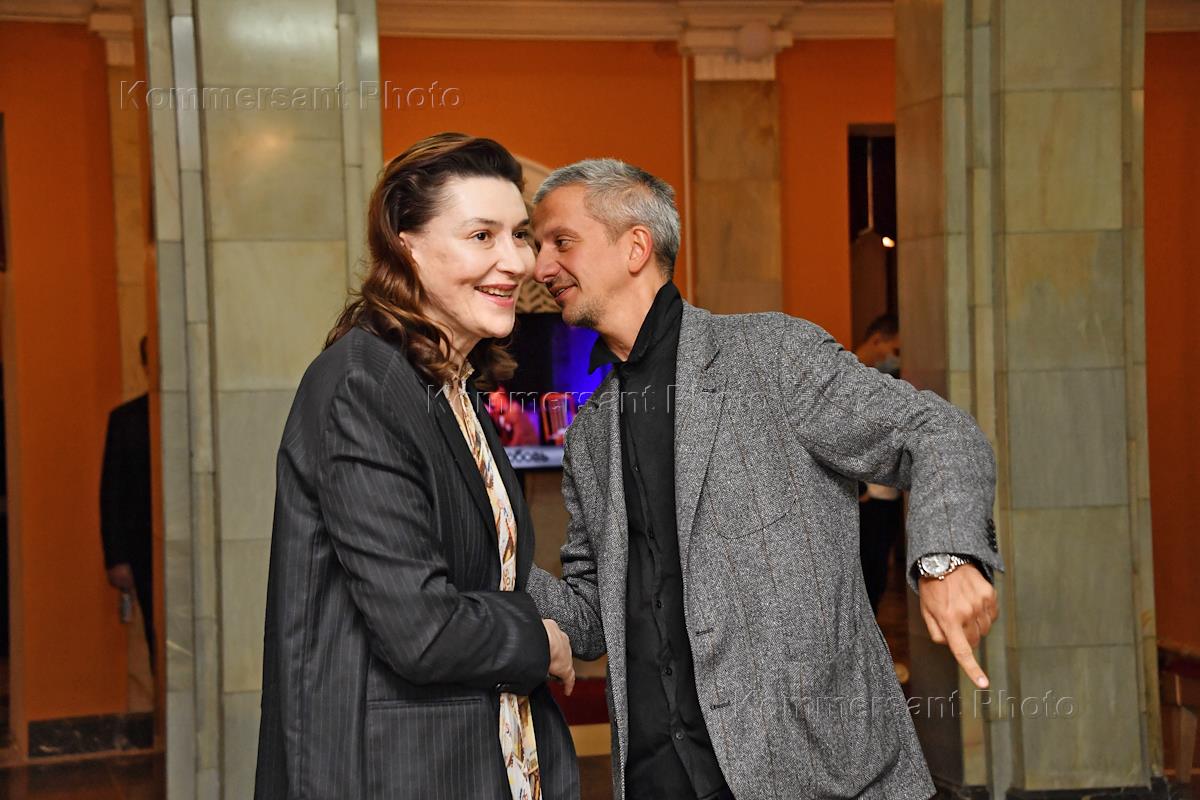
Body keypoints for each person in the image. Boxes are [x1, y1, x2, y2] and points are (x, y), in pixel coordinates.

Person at [526, 159, 1004, 800]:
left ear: (635, 247)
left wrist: (947, 558)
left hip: (820, 775)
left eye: (560, 241)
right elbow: (591, 617)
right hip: (655, 778)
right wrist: (487, 536)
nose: (540, 268)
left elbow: (934, 431)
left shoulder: (771, 356)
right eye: (537, 246)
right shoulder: (591, 434)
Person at [255, 133, 579, 800]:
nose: (516, 261)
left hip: (481, 755)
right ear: (406, 244)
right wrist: (541, 641)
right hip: (395, 770)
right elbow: (421, 630)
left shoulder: (450, 387)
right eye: (482, 236)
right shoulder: (365, 385)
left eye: (519, 235)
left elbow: (487, 575)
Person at [100, 335, 154, 672]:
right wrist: (116, 557)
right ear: (145, 365)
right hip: (140, 550)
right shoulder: (124, 420)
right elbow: (111, 492)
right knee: (154, 633)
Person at [853, 314, 905, 615]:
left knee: (878, 578)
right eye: (895, 350)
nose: (897, 359)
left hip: (888, 498)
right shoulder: (843, 376)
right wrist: (857, 487)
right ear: (877, 340)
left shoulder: (894, 383)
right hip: (861, 501)